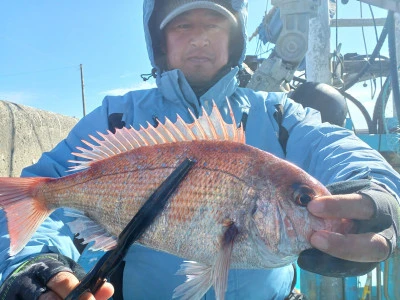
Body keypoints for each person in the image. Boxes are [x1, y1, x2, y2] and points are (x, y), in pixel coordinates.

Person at [0, 0, 399, 299]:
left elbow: (337, 145)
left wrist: (380, 191)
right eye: (183, 25)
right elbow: (42, 185)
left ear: (235, 37)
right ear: (159, 41)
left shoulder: (276, 112)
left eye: (214, 24)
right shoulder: (118, 115)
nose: (200, 36)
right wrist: (32, 263)